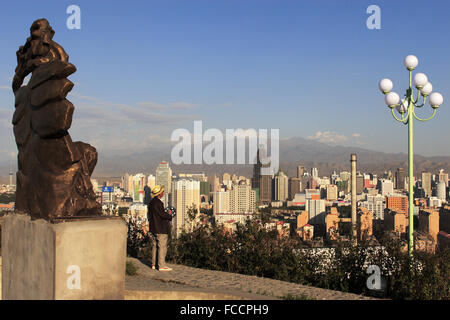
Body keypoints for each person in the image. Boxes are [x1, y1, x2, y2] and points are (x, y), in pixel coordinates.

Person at [147, 185, 173, 271]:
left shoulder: (151, 203)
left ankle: (154, 264)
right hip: (160, 228)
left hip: (153, 228)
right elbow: (162, 215)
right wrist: (169, 215)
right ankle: (161, 265)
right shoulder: (159, 203)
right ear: (159, 193)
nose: (163, 193)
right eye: (162, 192)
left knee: (155, 246)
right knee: (162, 246)